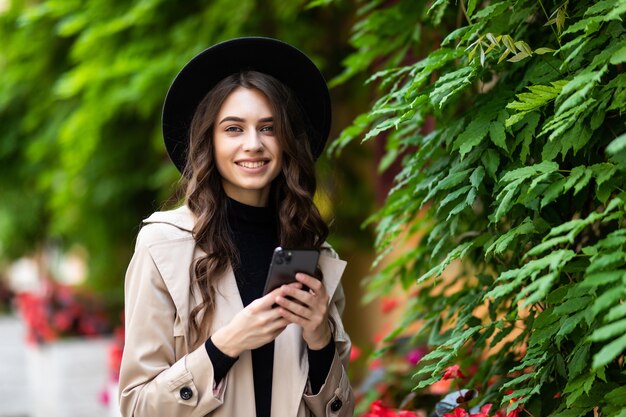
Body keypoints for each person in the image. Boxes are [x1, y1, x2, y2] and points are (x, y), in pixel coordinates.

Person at [118, 37, 354, 417]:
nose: (253, 144)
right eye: (233, 128)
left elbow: (339, 412)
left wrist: (320, 338)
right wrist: (224, 346)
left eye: (268, 128)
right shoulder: (163, 247)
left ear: (287, 141)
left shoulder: (316, 258)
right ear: (209, 140)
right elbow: (138, 407)